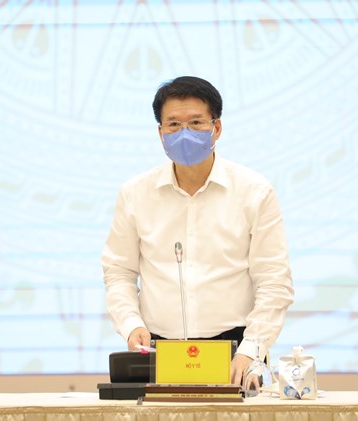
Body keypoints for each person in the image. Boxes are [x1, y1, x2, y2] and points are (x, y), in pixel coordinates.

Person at [101, 76, 294, 386]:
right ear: (161, 134)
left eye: (195, 123)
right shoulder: (135, 193)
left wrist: (251, 350)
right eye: (174, 125)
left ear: (216, 128)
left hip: (234, 351)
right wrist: (130, 323)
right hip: (157, 350)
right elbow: (119, 272)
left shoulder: (254, 191)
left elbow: (274, 282)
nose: (184, 133)